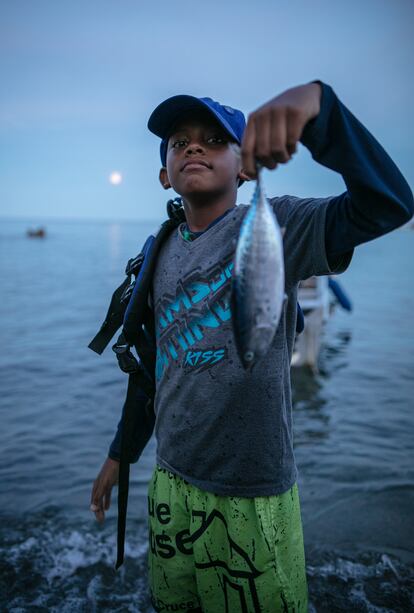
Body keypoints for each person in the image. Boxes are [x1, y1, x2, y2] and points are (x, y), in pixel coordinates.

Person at [91, 80, 413, 612]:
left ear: (244, 167)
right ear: (163, 173)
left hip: (253, 495)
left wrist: (320, 108)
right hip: (171, 483)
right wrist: (119, 457)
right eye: (179, 142)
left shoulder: (281, 225)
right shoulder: (159, 251)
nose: (193, 147)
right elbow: (152, 370)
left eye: (215, 139)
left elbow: (388, 204)